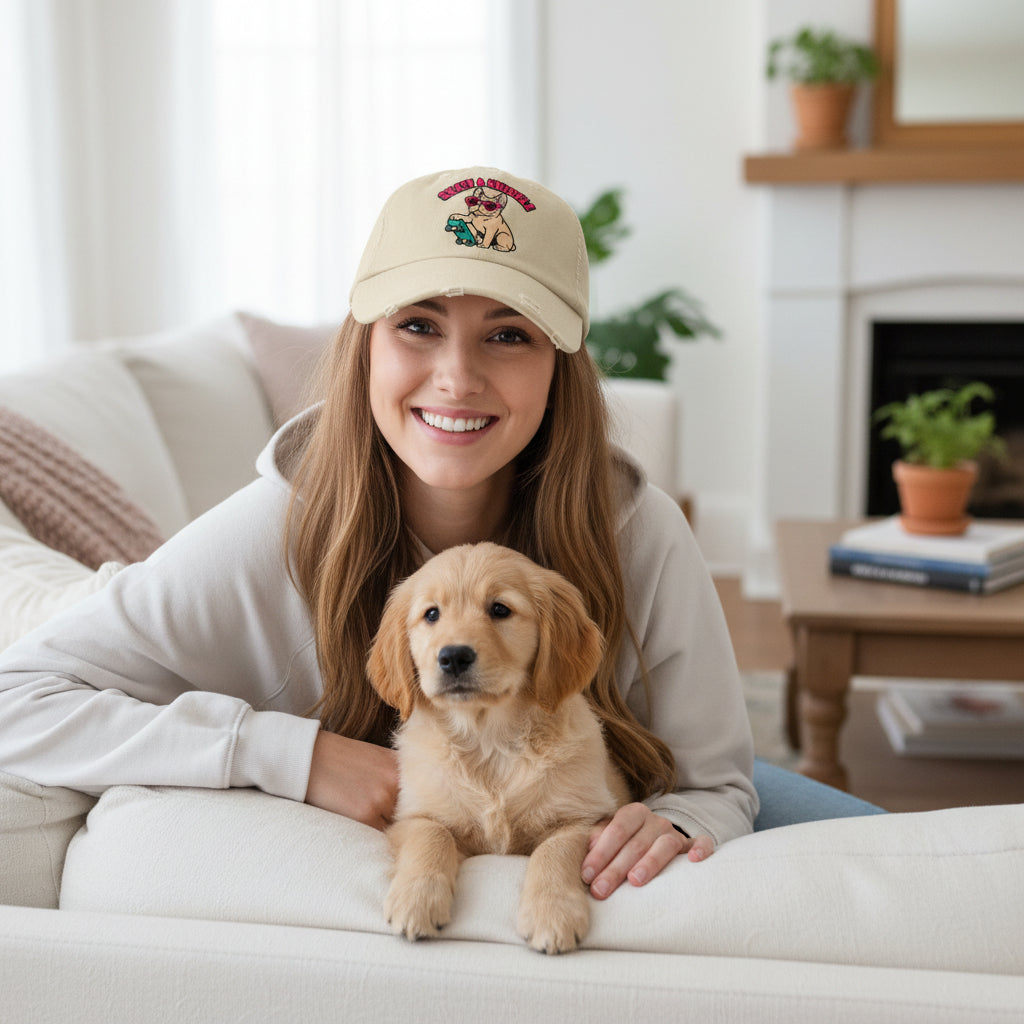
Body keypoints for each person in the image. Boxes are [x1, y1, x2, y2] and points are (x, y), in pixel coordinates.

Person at [0, 166, 879, 905]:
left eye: (508, 335)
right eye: (418, 325)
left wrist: (686, 818)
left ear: (560, 368)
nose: (457, 379)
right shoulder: (272, 529)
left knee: (912, 865)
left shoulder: (633, 528)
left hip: (593, 802)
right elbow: (17, 696)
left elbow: (720, 778)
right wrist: (286, 753)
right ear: (366, 346)